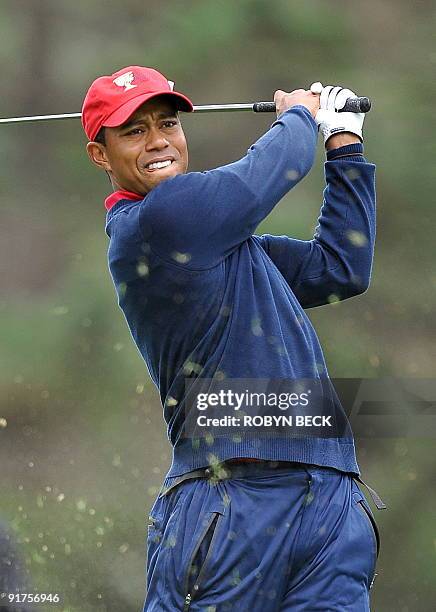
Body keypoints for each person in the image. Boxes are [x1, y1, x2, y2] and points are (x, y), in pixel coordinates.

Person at [82, 66, 385, 611]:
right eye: (133, 131)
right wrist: (300, 115)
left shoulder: (224, 245)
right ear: (100, 156)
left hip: (329, 497)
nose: (158, 142)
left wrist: (344, 146)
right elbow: (271, 169)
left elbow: (342, 268)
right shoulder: (156, 224)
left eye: (167, 124)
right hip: (231, 499)